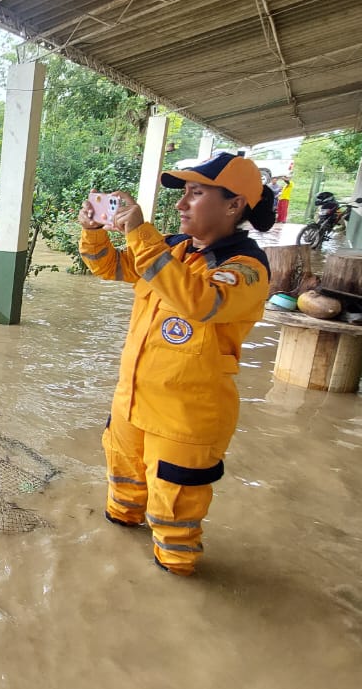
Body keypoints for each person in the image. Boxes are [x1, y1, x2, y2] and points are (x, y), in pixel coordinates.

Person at [77, 152, 276, 575]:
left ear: (234, 204)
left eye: (196, 194)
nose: (181, 204)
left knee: (175, 524)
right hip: (132, 402)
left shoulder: (245, 268)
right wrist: (94, 234)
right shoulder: (172, 248)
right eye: (183, 193)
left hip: (186, 417)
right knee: (123, 498)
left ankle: (175, 601)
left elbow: (200, 302)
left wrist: (140, 233)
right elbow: (111, 268)